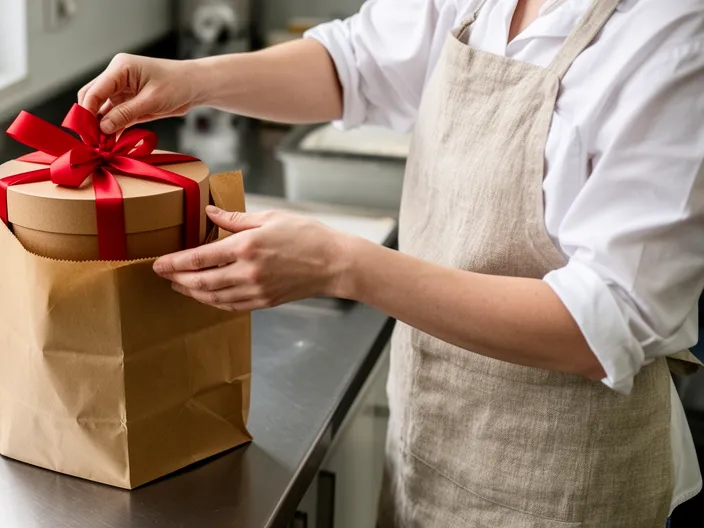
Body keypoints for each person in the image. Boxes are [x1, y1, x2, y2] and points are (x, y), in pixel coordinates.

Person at [79, 0, 704, 525]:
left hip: (566, 482)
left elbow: (606, 322)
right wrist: (196, 80)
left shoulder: (673, 35)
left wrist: (344, 266)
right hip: (430, 439)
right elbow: (356, 65)